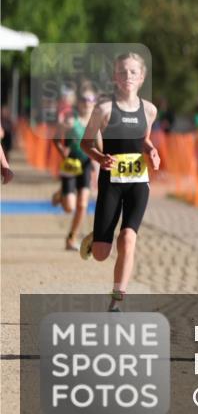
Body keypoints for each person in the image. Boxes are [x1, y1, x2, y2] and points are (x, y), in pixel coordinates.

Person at [79, 53, 160, 312]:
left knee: (127, 238)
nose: (128, 77)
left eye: (133, 72)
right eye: (123, 72)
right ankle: (98, 235)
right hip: (111, 180)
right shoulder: (103, 109)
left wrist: (152, 151)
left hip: (138, 181)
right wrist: (100, 157)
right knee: (102, 254)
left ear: (142, 77)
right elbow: (85, 143)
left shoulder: (149, 110)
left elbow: (143, 140)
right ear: (115, 77)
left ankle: (117, 301)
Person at [53, 86, 98, 250]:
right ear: (79, 103)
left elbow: (99, 147)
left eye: (91, 100)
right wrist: (63, 153)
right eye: (85, 100)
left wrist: (98, 165)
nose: (88, 103)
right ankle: (61, 195)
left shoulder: (96, 123)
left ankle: (71, 239)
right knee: (69, 207)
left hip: (86, 165)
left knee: (82, 205)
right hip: (71, 164)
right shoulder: (71, 120)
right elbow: (56, 139)